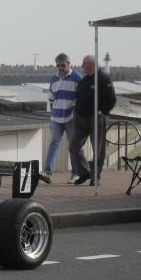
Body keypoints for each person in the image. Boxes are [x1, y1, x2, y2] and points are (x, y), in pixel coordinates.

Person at [70, 55, 117, 185]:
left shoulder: (103, 78)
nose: (81, 66)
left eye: (83, 64)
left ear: (91, 64)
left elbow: (112, 99)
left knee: (98, 149)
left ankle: (95, 177)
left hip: (96, 118)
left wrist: (103, 111)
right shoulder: (84, 80)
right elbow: (79, 96)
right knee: (74, 147)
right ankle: (85, 172)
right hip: (80, 118)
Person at [39, 53, 83, 184]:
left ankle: (76, 173)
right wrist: (52, 114)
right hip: (56, 118)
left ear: (69, 64)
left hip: (71, 117)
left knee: (73, 146)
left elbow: (81, 97)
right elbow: (51, 98)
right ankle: (47, 173)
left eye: (62, 65)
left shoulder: (77, 78)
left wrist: (76, 112)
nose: (60, 68)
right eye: (58, 65)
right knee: (54, 144)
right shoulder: (54, 78)